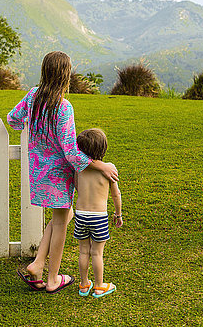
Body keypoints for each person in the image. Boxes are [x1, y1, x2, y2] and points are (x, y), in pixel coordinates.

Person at [8, 51, 118, 294]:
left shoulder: (32, 96)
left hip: (38, 171)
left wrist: (30, 127)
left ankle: (37, 264)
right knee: (61, 222)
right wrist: (101, 165)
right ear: (65, 75)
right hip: (58, 173)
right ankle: (52, 279)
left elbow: (12, 118)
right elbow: (71, 153)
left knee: (62, 217)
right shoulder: (63, 106)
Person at [74, 128, 123, 298]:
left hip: (80, 214)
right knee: (96, 252)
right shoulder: (108, 169)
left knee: (83, 251)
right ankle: (99, 285)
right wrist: (118, 214)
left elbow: (76, 186)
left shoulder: (79, 168)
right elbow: (116, 194)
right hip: (99, 217)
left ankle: (83, 284)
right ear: (103, 149)